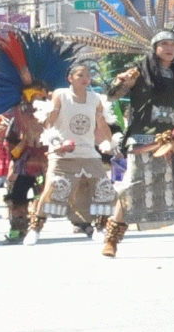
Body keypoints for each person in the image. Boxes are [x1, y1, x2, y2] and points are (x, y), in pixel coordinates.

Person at [90, 22, 174, 258]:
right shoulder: (139, 71)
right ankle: (112, 240)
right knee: (133, 187)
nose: (169, 48)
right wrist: (121, 81)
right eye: (165, 44)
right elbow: (112, 96)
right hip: (143, 139)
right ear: (155, 47)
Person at [0, 29, 73, 243]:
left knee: (54, 194)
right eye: (30, 100)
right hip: (25, 164)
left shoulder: (53, 115)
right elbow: (11, 145)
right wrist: (21, 145)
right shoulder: (17, 119)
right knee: (18, 196)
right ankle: (18, 228)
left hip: (49, 161)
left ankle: (78, 222)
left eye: (39, 98)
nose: (33, 106)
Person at [27, 61, 115, 244]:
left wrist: (111, 143)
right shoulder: (61, 95)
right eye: (80, 75)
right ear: (70, 78)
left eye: (88, 75)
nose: (85, 79)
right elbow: (49, 121)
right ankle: (35, 228)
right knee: (55, 188)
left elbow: (102, 123)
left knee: (103, 188)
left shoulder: (95, 98)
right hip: (62, 152)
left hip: (88, 153)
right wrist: (54, 141)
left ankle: (98, 228)